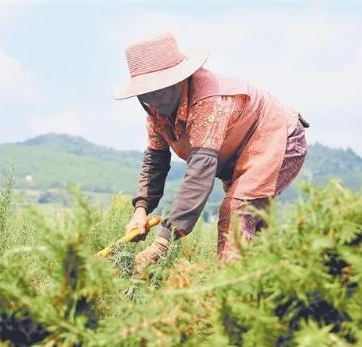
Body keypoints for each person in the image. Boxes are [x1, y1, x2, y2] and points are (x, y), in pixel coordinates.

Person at [112, 32, 309, 279]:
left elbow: (199, 174)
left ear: (177, 81)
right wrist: (141, 210)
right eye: (145, 93)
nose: (151, 100)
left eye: (157, 91)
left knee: (238, 210)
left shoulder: (208, 99)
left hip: (279, 137)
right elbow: (155, 161)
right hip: (240, 154)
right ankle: (272, 292)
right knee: (255, 232)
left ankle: (228, 294)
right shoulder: (156, 111)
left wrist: (163, 242)